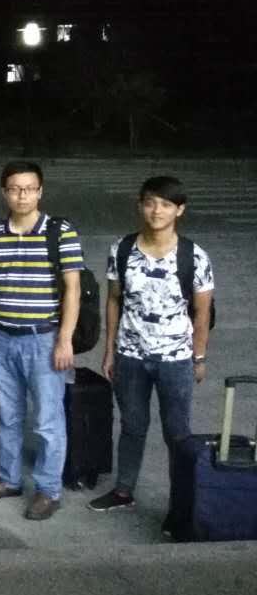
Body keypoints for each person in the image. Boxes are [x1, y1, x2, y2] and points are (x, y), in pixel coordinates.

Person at [89, 175, 214, 514]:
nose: (157, 211)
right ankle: (123, 491)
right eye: (150, 203)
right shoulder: (122, 249)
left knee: (177, 432)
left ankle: (182, 501)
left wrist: (199, 357)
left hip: (176, 359)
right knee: (132, 426)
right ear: (141, 206)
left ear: (179, 210)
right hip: (130, 356)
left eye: (166, 204)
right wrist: (110, 350)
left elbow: (202, 312)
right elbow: (114, 300)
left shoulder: (194, 256)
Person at [0, 161, 84, 522]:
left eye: (29, 188)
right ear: (5, 193)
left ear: (40, 191)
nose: (22, 195)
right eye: (15, 189)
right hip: (2, 337)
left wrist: (64, 339)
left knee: (48, 420)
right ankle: (9, 479)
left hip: (43, 339)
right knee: (7, 416)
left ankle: (49, 490)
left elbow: (73, 288)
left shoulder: (60, 232)